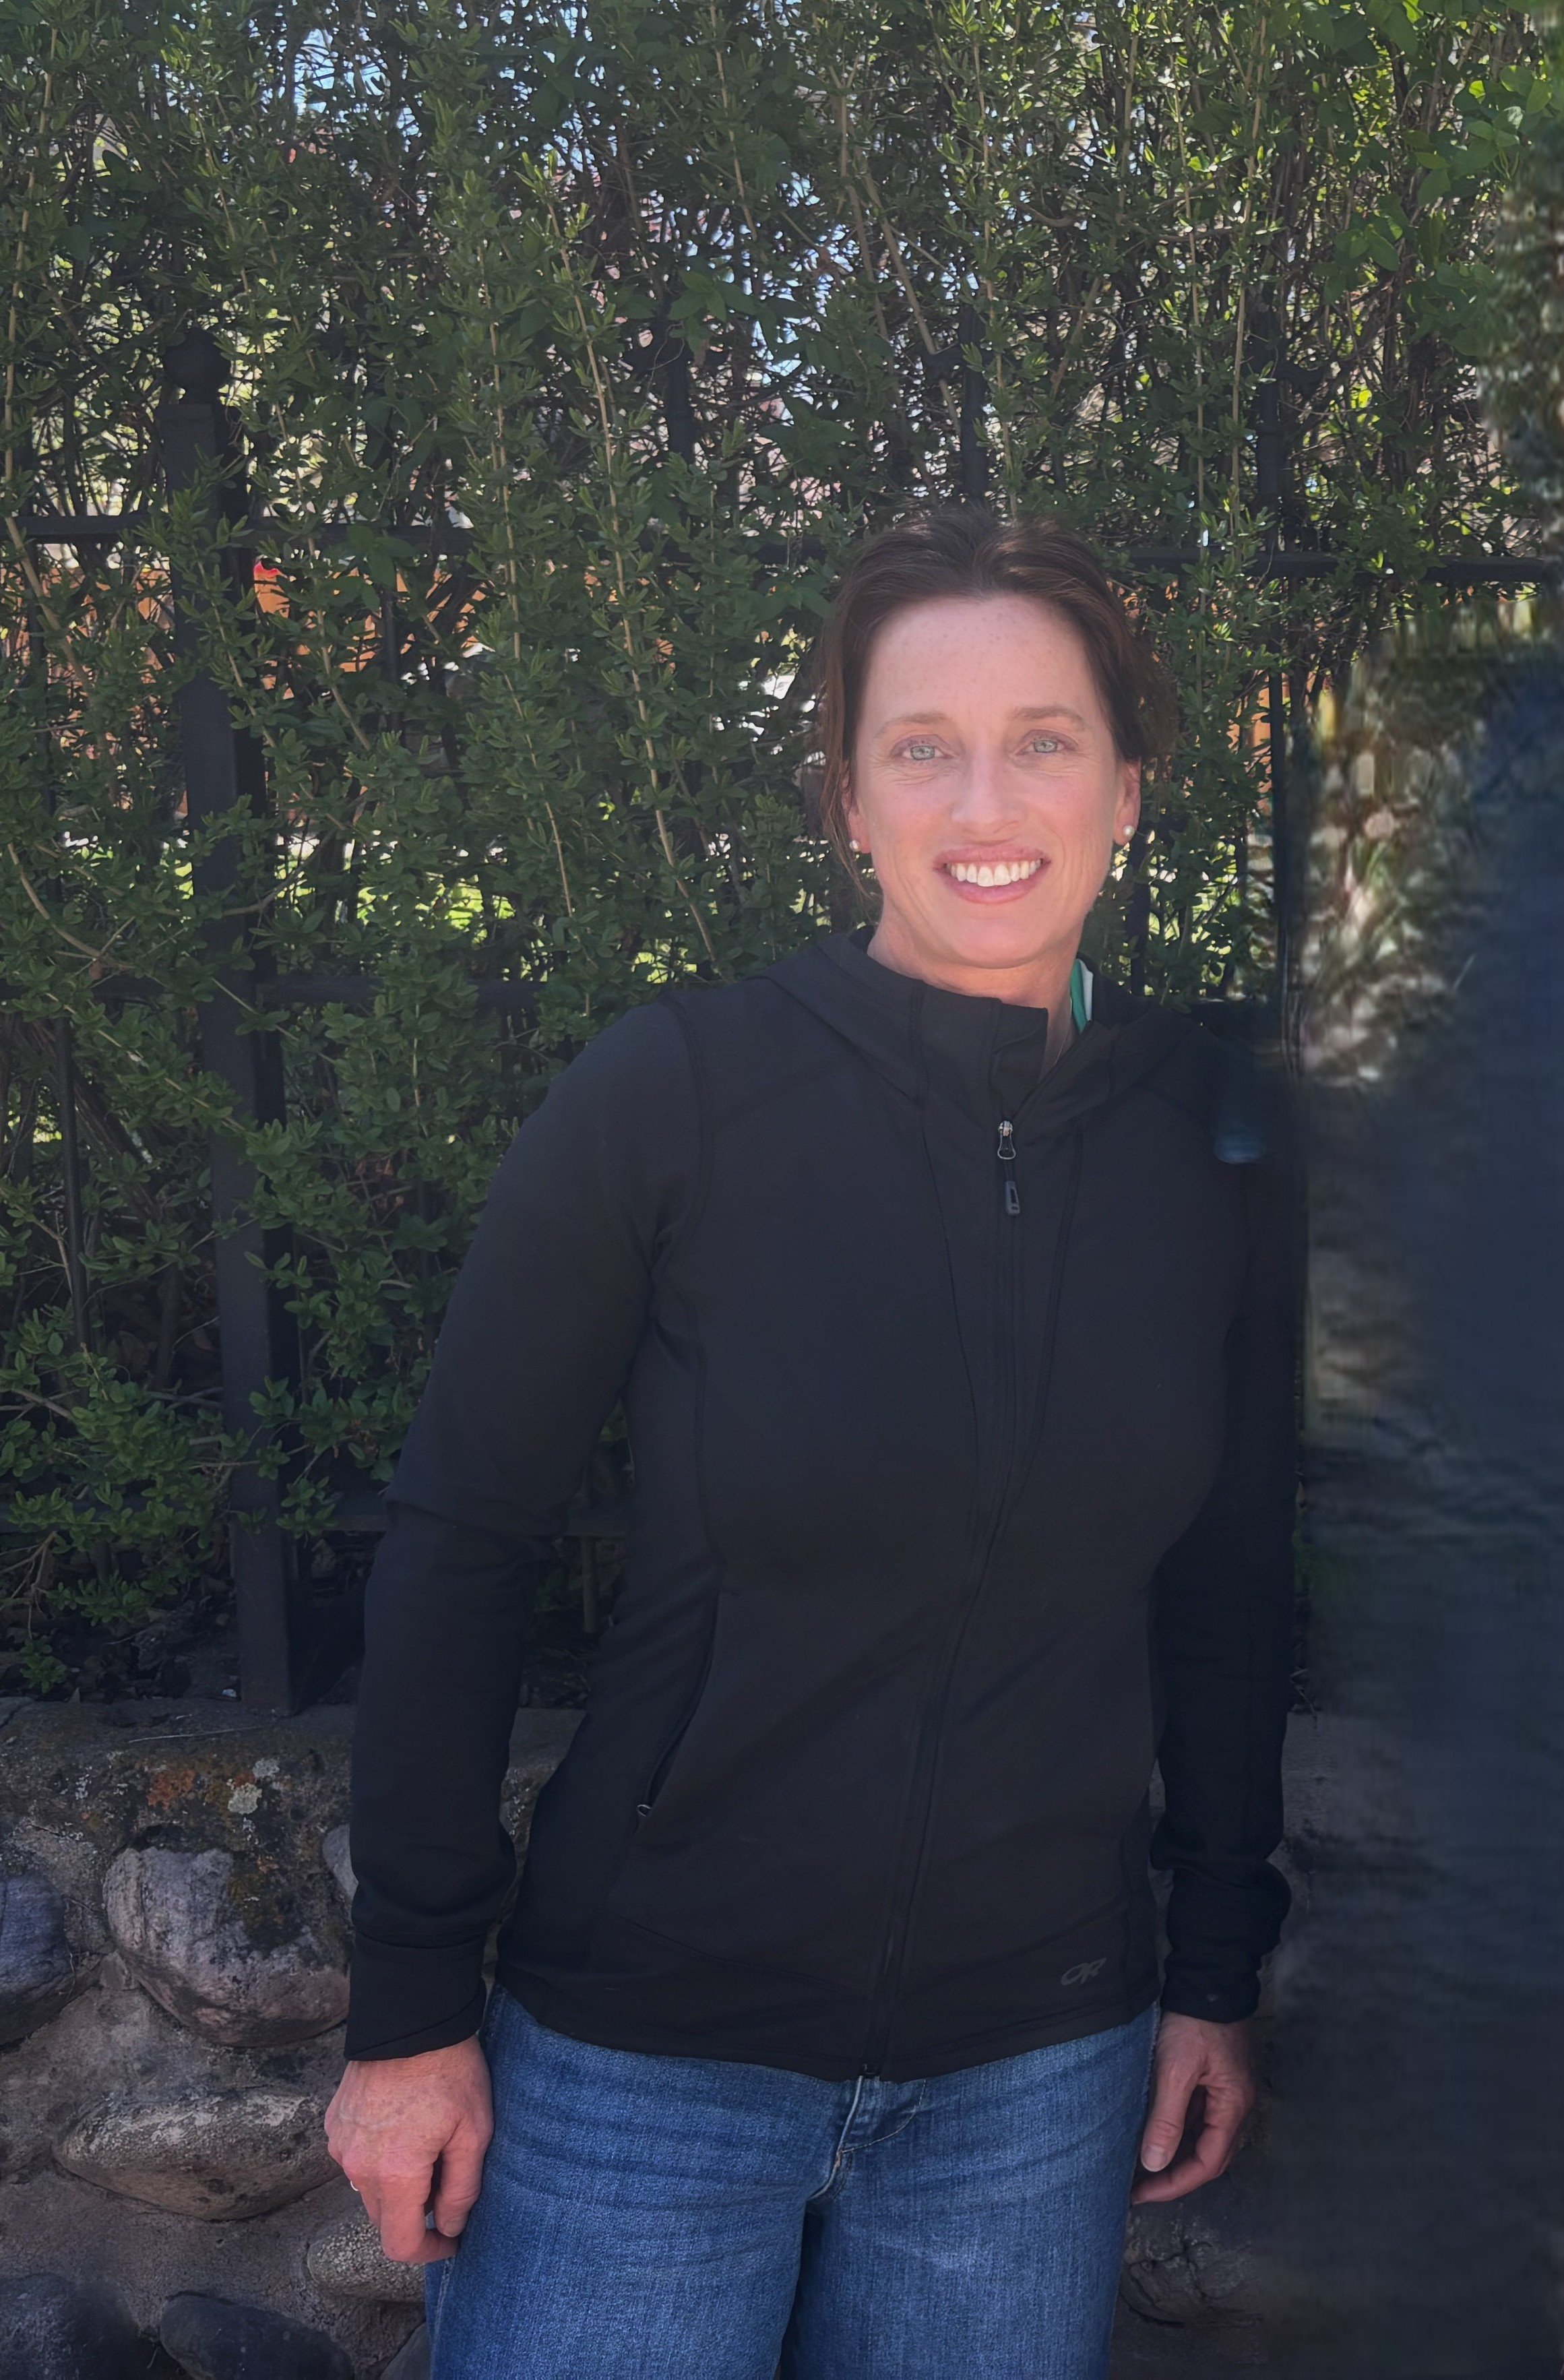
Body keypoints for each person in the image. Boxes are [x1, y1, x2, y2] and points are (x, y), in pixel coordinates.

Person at [325, 508, 1296, 2380]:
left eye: (1042, 740)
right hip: (642, 2066)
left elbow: (1231, 1582)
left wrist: (1213, 1965)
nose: (983, 799)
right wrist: (408, 2012)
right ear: (847, 800)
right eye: (920, 746)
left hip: (1037, 2081)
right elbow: (462, 1537)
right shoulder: (674, 1098)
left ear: (1125, 791)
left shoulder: (1214, 1147)